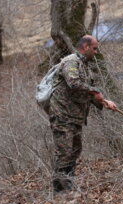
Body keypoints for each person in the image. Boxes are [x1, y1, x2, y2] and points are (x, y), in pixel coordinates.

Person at [46, 35, 117, 193]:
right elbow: (74, 83)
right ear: (85, 47)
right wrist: (95, 92)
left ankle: (68, 183)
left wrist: (104, 102)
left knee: (75, 149)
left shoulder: (84, 66)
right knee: (64, 150)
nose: (96, 52)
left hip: (75, 116)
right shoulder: (71, 62)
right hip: (62, 115)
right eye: (94, 48)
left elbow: (88, 93)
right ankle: (60, 189)